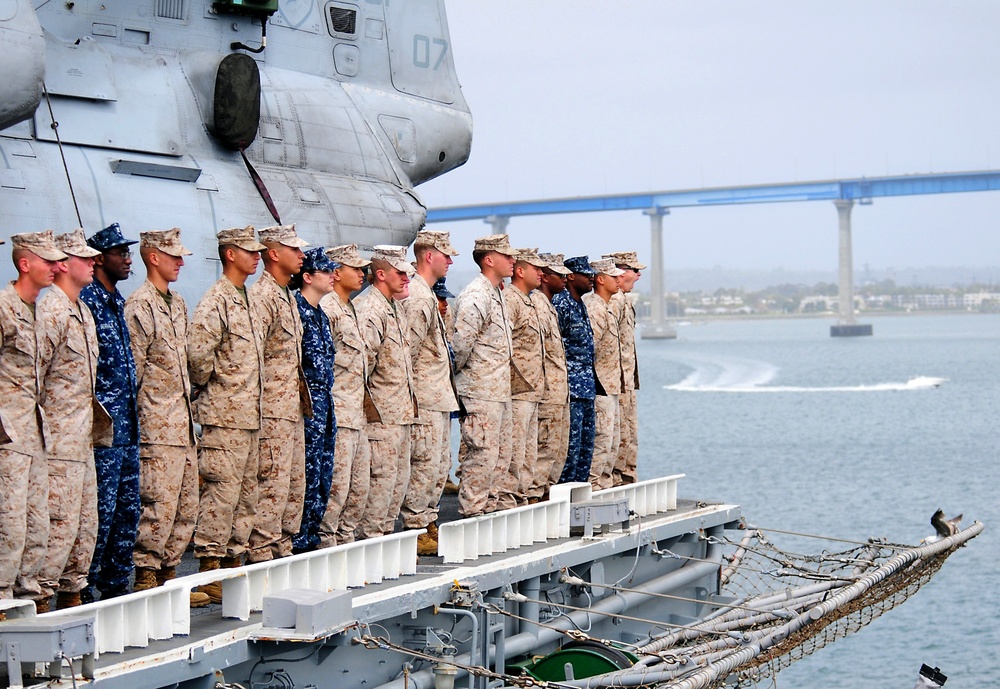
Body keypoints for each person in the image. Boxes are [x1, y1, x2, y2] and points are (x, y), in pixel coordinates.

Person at [125, 229, 209, 607]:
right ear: (153, 257)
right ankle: (147, 579)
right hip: (157, 427)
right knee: (157, 505)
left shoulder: (177, 303)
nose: (181, 262)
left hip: (182, 425)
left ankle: (171, 578)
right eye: (173, 256)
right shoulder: (139, 306)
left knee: (185, 506)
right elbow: (134, 376)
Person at [188, 226, 266, 602]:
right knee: (221, 493)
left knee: (246, 495)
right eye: (249, 251)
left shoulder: (246, 298)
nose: (257, 256)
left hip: (249, 415)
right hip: (225, 415)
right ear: (230, 254)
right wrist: (217, 389)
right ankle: (209, 569)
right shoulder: (216, 300)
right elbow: (199, 356)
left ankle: (234, 564)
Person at [37, 229, 105, 610]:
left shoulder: (81, 311)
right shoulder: (52, 311)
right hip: (59, 441)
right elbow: (36, 377)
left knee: (82, 527)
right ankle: (44, 602)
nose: (93, 263)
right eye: (85, 258)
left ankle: (71, 596)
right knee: (58, 524)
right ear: (63, 264)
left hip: (82, 439)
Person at [0, 232, 66, 610]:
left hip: (34, 433)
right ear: (25, 264)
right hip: (8, 436)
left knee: (36, 522)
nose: (57, 267)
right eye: (49, 261)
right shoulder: (4, 308)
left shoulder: (40, 311)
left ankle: (27, 596)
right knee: (8, 522)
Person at [79, 223, 141, 602]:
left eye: (128, 252)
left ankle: (117, 587)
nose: (126, 259)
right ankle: (83, 589)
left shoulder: (116, 301)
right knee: (99, 513)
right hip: (104, 427)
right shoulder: (88, 301)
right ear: (99, 258)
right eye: (120, 253)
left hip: (127, 425)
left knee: (126, 511)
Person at [247, 224, 309, 563]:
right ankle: (261, 558)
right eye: (294, 250)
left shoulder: (286, 295)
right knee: (271, 485)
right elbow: (253, 358)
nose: (301, 255)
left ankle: (282, 552)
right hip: (271, 410)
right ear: (274, 254)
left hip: (291, 409)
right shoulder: (262, 297)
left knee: (291, 488)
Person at [399, 230, 460, 556]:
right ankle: (416, 529)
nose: (450, 260)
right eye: (445, 255)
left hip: (435, 395)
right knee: (425, 464)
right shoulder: (419, 297)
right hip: (424, 397)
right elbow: (405, 353)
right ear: (428, 256)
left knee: (436, 466)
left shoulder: (423, 293)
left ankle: (426, 523)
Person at [353, 245, 417, 537]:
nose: (406, 278)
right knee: (379, 487)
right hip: (381, 419)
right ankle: (371, 550)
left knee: (395, 487)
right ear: (380, 274)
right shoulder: (371, 311)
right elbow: (362, 368)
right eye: (399, 272)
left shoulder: (394, 307)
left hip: (400, 416)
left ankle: (384, 548)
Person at [451, 234, 516, 516]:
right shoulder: (477, 295)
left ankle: (489, 511)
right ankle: (472, 515)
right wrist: (468, 379)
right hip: (479, 392)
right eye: (507, 256)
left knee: (498, 458)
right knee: (481, 457)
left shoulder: (496, 294)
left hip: (497, 391)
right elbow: (461, 345)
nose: (513, 260)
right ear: (489, 260)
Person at [318, 245, 372, 546]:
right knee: (336, 489)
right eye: (356, 269)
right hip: (339, 414)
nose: (362, 274)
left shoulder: (350, 308)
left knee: (357, 489)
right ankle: (328, 546)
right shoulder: (329, 310)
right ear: (337, 273)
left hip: (356, 414)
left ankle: (345, 544)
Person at [290, 247, 339, 553]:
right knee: (304, 476)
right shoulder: (298, 312)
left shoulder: (320, 316)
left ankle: (310, 536)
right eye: (326, 271)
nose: (333, 275)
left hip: (323, 408)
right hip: (305, 409)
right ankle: (297, 540)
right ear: (307, 277)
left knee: (321, 475)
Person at [502, 248, 548, 507]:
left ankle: (523, 499)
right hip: (517, 391)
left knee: (528, 453)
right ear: (520, 271)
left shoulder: (529, 300)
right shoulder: (511, 300)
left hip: (532, 390)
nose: (541, 273)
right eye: (536, 268)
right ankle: (511, 503)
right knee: (515, 454)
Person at [530, 253, 572, 501]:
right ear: (545, 276)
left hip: (558, 393)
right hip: (546, 394)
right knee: (543, 452)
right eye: (559, 274)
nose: (565, 278)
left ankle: (544, 497)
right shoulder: (536, 305)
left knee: (556, 452)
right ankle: (536, 499)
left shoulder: (548, 305)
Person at [552, 256, 597, 484]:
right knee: (569, 448)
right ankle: (564, 496)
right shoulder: (562, 304)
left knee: (584, 447)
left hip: (586, 387)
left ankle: (578, 494)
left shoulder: (579, 303)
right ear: (571, 276)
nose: (591, 278)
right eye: (586, 274)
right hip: (571, 388)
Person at [583, 258, 626, 490]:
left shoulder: (606, 306)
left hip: (610, 384)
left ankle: (602, 484)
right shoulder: (595, 308)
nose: (619, 280)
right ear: (600, 279)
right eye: (613, 276)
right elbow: (591, 349)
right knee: (600, 439)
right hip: (600, 386)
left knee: (610, 440)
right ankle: (593, 485)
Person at [603, 251, 644, 485]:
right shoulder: (614, 301)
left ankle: (624, 477)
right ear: (619, 272)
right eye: (634, 271)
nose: (638, 276)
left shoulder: (624, 300)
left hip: (625, 382)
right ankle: (616, 479)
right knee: (616, 436)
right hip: (614, 382)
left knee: (627, 435)